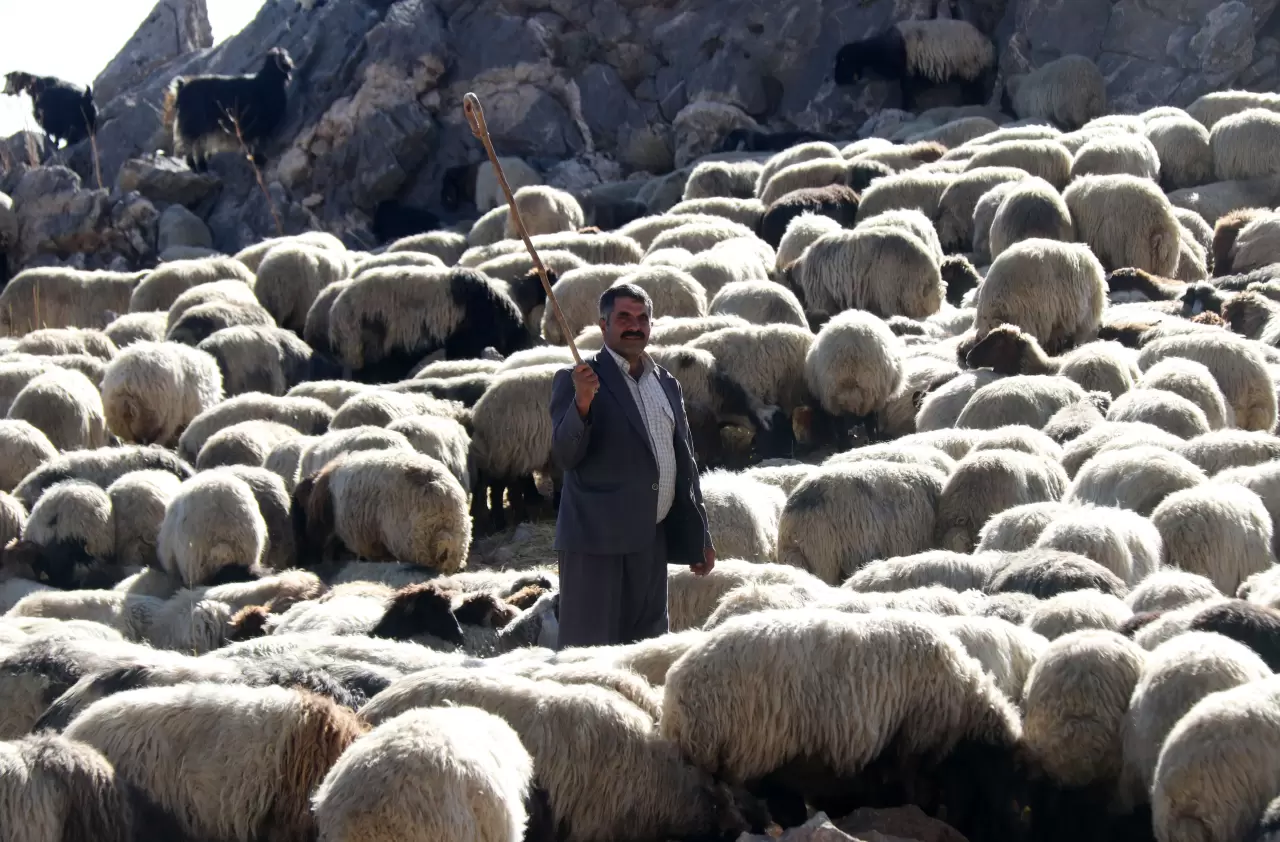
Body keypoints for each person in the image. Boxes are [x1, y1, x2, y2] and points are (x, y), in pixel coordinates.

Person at [548, 283, 716, 649]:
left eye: (642, 318)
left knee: (645, 652)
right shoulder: (579, 378)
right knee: (590, 654)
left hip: (650, 539)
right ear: (603, 323)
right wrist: (582, 403)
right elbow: (564, 457)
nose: (635, 326)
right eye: (624, 317)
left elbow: (684, 461)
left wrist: (699, 533)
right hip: (596, 543)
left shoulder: (665, 383)